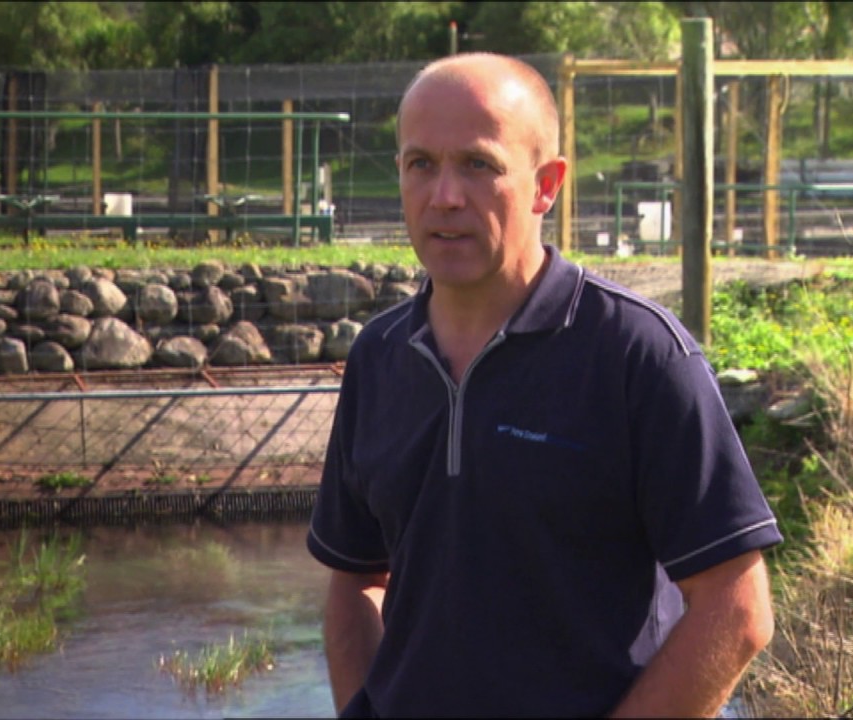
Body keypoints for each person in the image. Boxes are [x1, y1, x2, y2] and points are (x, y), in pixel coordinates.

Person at [306, 51, 782, 718]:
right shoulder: (380, 357)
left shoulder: (636, 357)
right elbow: (356, 575)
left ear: (546, 184)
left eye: (478, 164)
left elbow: (736, 610)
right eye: (422, 164)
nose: (445, 195)